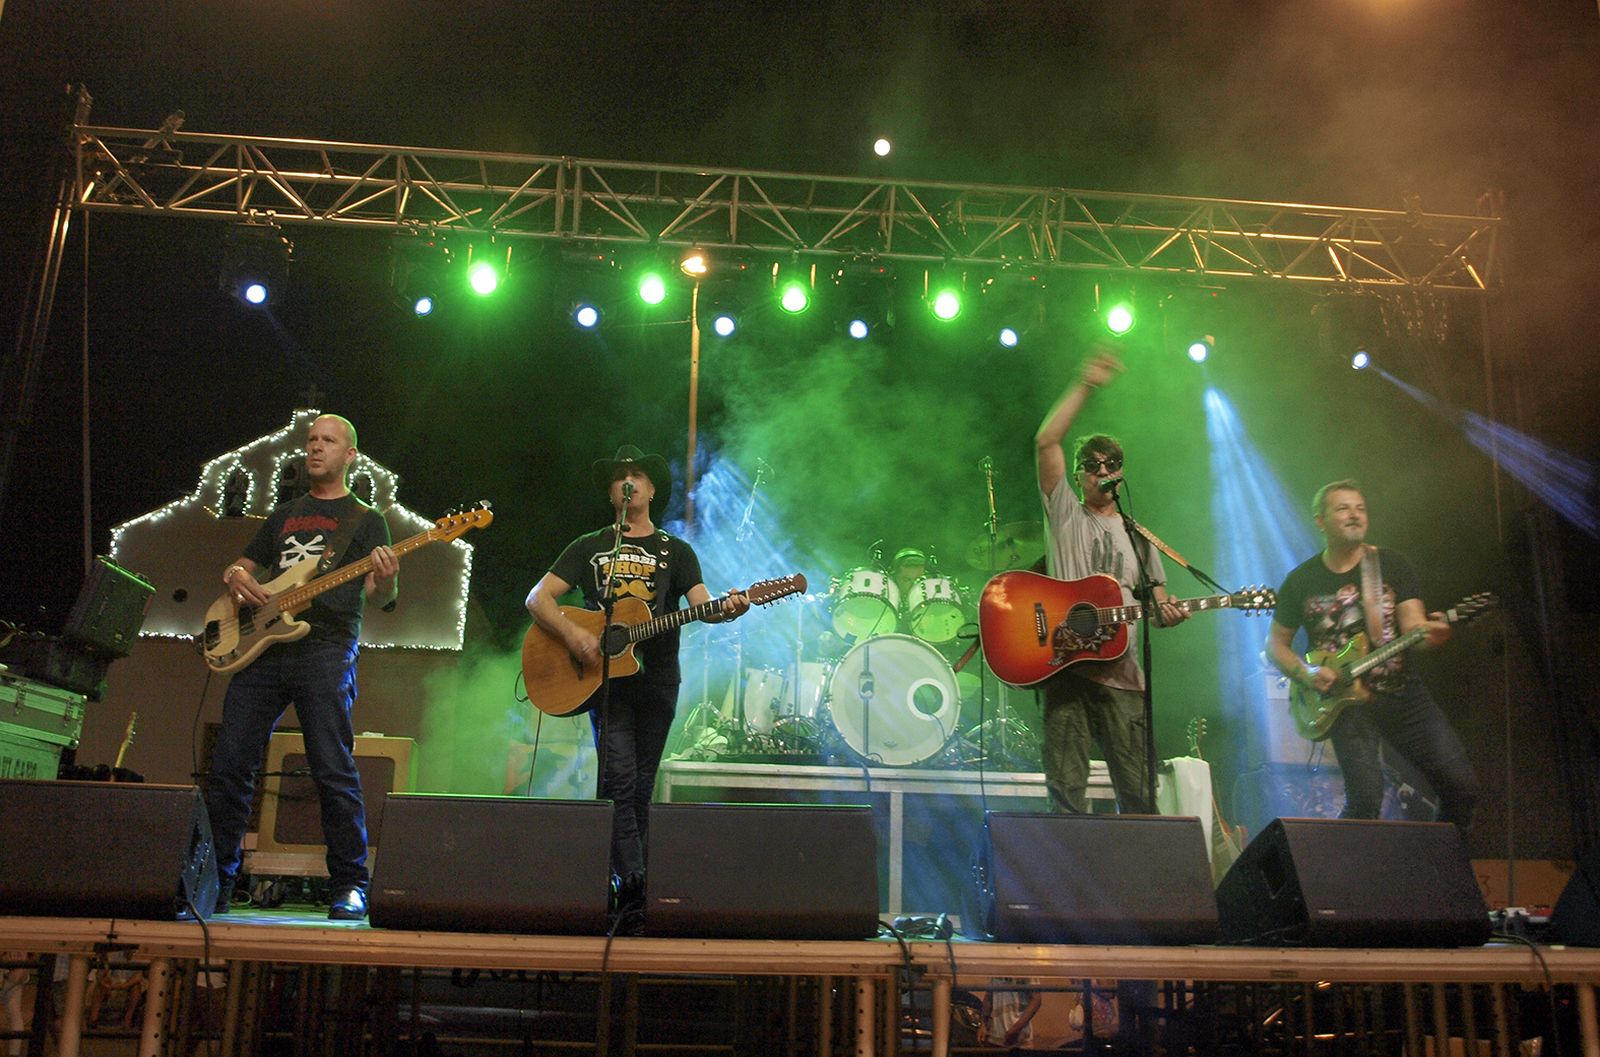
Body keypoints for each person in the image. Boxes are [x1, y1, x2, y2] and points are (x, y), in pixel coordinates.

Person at [526, 445, 749, 921]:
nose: (628, 481)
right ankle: (634, 885)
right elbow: (537, 598)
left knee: (640, 785)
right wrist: (573, 635)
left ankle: (627, 887)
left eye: (637, 475)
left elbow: (702, 605)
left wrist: (728, 610)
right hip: (606, 682)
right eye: (619, 476)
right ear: (612, 493)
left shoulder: (677, 551)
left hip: (658, 679)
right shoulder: (589, 546)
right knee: (618, 778)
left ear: (651, 489)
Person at [206, 414, 398, 920]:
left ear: (349, 455)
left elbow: (380, 597)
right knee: (229, 765)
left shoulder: (366, 519)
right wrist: (233, 576)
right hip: (264, 647)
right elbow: (244, 569)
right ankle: (215, 882)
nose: (316, 447)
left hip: (326, 649)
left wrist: (387, 580)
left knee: (332, 767)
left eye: (328, 441)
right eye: (312, 440)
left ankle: (351, 884)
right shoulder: (285, 513)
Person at [1266, 479, 1478, 827]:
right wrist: (1308, 674)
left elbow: (1415, 631)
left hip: (1403, 694)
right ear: (1320, 521)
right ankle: (1340, 878)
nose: (1354, 515)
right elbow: (1275, 645)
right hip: (1347, 704)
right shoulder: (1301, 580)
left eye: (1360, 508)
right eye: (1343, 508)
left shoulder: (1391, 565)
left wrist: (1433, 634)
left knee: (1462, 788)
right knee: (1364, 801)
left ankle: (1437, 870)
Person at [1034, 348, 1189, 814]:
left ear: (1121, 472)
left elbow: (1156, 605)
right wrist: (1086, 384)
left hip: (1124, 677)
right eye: (1093, 464)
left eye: (1112, 464)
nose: (1103, 471)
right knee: (1066, 791)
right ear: (1079, 474)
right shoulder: (1064, 514)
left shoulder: (1140, 536)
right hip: (1066, 669)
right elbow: (1046, 442)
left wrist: (1168, 613)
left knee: (1140, 795)